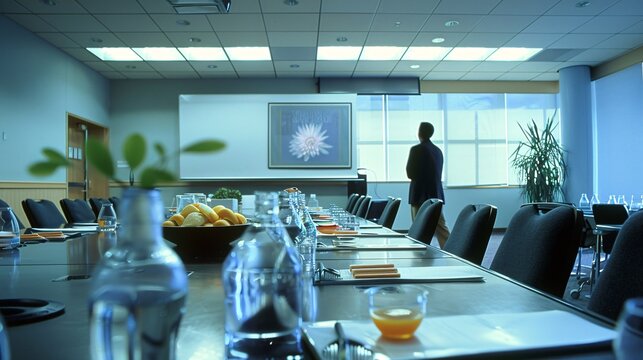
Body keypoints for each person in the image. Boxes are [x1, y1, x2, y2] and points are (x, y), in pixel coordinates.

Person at [406, 122, 450, 248]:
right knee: (441, 227)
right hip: (435, 194)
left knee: (418, 228)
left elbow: (410, 173)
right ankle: (452, 250)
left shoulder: (415, 150)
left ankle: (419, 252)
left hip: (419, 194)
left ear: (419, 133)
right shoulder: (438, 151)